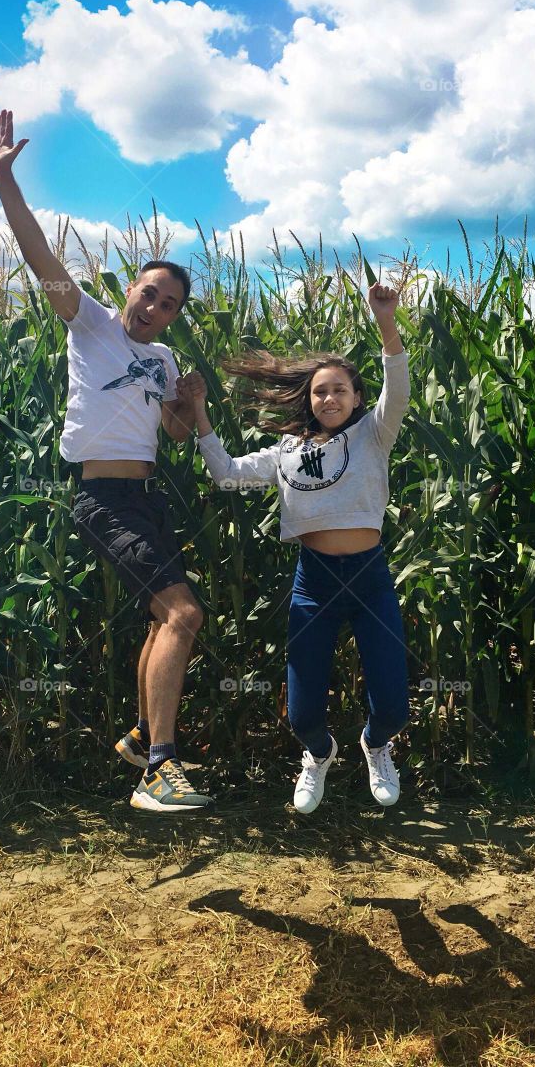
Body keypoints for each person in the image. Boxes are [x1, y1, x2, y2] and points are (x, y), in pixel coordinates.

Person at [0, 108, 212, 814]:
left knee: (161, 621)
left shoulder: (164, 357)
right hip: (102, 500)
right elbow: (37, 254)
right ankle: (159, 770)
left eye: (169, 303)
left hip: (145, 497)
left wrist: (191, 403)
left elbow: (174, 435)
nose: (155, 307)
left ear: (175, 316)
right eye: (149, 293)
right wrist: (4, 181)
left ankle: (145, 739)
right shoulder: (88, 324)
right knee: (184, 616)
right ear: (129, 292)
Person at [189, 283, 411, 813]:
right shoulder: (286, 452)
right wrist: (198, 411)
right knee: (301, 714)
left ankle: (376, 745)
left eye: (340, 389)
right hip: (315, 580)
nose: (329, 398)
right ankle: (319, 754)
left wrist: (384, 320)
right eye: (319, 391)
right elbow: (226, 475)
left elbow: (398, 385)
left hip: (369, 578)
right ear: (307, 400)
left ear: (357, 398)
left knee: (394, 706)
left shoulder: (374, 435)